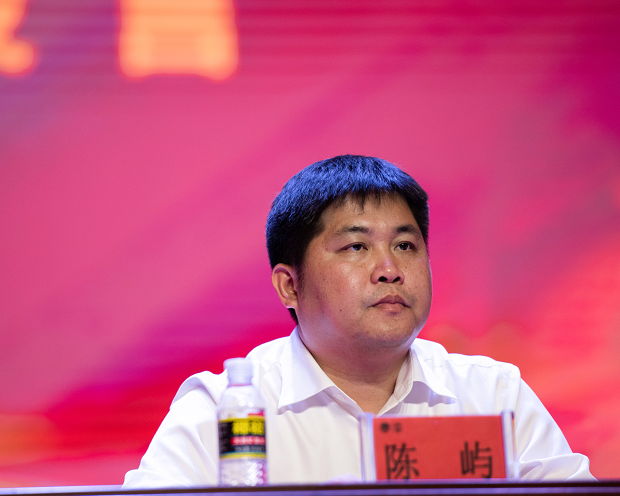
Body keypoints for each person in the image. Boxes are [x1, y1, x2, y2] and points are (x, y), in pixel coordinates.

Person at [123, 155, 594, 487]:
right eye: (356, 246)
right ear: (289, 286)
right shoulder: (226, 408)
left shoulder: (492, 395)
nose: (389, 269)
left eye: (405, 245)